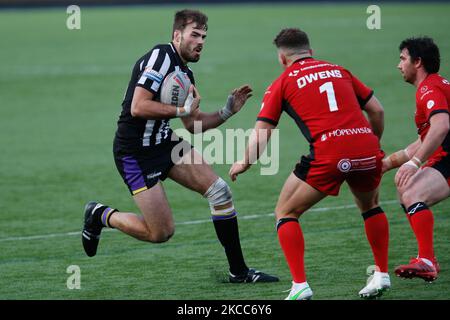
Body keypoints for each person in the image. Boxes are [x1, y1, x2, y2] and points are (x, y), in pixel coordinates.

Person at [82, 9, 278, 284]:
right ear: (177, 35)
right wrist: (179, 109)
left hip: (165, 143)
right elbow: (138, 107)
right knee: (160, 233)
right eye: (195, 35)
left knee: (220, 191)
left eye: (204, 37)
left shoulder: (185, 73)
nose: (201, 41)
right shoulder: (160, 57)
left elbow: (193, 125)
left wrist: (226, 112)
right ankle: (100, 215)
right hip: (134, 152)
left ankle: (239, 271)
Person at [229, 28, 389, 299]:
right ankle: (382, 274)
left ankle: (300, 285)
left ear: (282, 58)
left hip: (329, 154)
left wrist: (245, 162)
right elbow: (377, 110)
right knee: (370, 206)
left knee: (285, 212)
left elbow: (262, 131)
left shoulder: (282, 82)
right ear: (311, 52)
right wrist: (372, 143)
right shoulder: (341, 71)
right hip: (367, 148)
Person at [382, 36, 449, 282]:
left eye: (402, 59)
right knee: (406, 188)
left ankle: (427, 261)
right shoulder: (433, 85)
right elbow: (427, 138)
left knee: (412, 191)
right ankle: (428, 259)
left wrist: (415, 163)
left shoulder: (429, 88)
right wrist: (390, 163)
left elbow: (441, 127)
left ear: (417, 62)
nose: (399, 65)